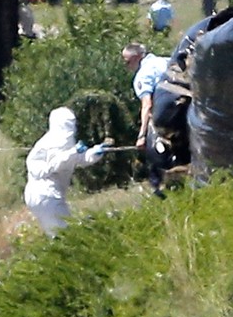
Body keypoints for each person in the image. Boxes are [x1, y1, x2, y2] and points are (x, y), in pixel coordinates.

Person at [24, 107, 107, 236]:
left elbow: (77, 159)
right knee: (66, 236)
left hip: (43, 195)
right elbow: (56, 165)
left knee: (56, 234)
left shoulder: (63, 141)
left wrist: (94, 152)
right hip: (46, 194)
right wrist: (74, 152)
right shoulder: (51, 143)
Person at [121, 42, 170, 199]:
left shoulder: (142, 75)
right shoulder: (166, 61)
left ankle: (159, 191)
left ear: (136, 57)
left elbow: (147, 105)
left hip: (166, 117)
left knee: (154, 150)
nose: (126, 66)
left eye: (127, 62)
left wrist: (142, 135)